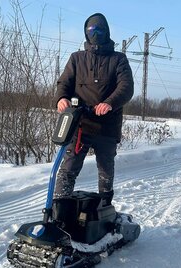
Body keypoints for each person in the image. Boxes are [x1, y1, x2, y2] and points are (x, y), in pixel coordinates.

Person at [53, 13, 134, 202]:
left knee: (105, 170)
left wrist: (109, 103)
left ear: (106, 32)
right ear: (86, 33)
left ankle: (105, 208)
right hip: (79, 124)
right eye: (92, 30)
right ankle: (59, 208)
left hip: (107, 125)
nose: (95, 33)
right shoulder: (76, 58)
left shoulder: (118, 59)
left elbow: (126, 87)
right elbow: (64, 83)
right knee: (68, 168)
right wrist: (61, 99)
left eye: (100, 29)